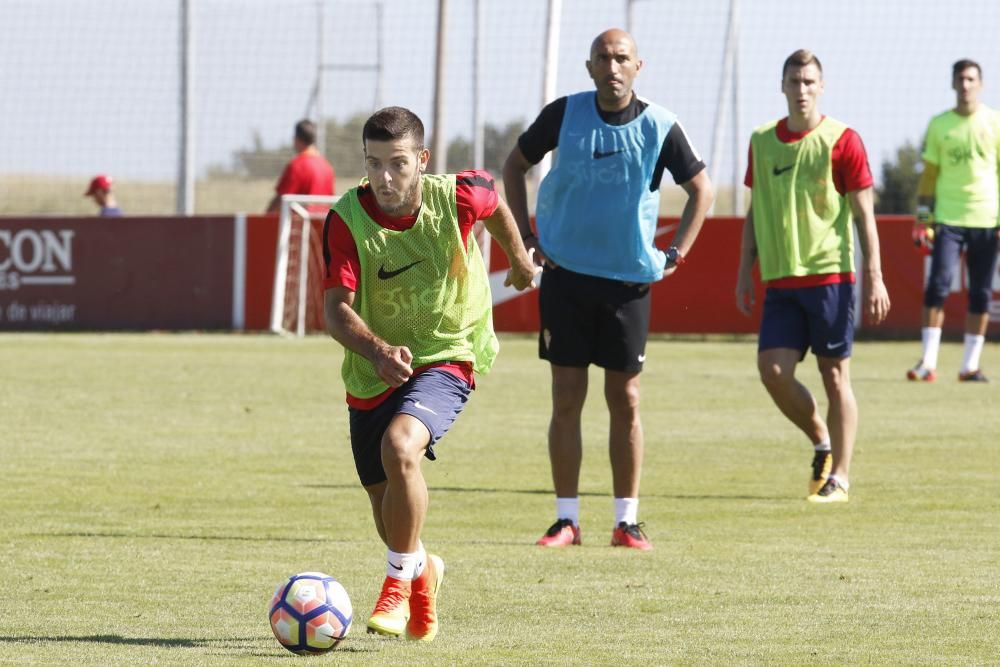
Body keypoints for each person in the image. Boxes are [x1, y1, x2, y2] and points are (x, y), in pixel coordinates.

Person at [323, 106, 538, 642]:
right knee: (384, 501)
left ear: (421, 159)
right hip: (374, 371)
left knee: (401, 449)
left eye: (397, 163)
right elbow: (334, 312)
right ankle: (422, 568)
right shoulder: (346, 219)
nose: (385, 177)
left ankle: (395, 585)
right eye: (374, 164)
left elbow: (496, 205)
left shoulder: (457, 195)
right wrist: (374, 351)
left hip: (449, 352)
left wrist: (517, 260)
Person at [503, 28, 713, 550]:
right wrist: (527, 238)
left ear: (639, 66)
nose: (613, 66)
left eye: (622, 58)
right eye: (604, 57)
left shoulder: (661, 126)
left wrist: (677, 252)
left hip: (628, 284)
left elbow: (701, 189)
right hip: (567, 278)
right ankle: (566, 520)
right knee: (566, 397)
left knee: (626, 397)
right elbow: (514, 165)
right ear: (590, 66)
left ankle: (626, 520)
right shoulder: (564, 114)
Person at [735, 49, 891, 504]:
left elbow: (865, 217)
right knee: (773, 372)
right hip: (781, 281)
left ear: (821, 87)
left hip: (830, 278)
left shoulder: (844, 140)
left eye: (809, 82)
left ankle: (839, 477)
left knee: (835, 377)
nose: (801, 90)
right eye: (793, 81)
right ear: (781, 86)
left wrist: (875, 277)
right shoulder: (762, 141)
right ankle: (821, 439)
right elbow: (753, 211)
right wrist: (745, 270)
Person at [908, 59, 1000, 383]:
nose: (965, 85)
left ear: (981, 84)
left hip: (987, 220)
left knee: (981, 294)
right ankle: (927, 363)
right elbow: (928, 178)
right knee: (937, 286)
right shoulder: (939, 125)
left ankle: (969, 366)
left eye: (971, 79)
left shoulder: (994, 122)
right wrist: (923, 220)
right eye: (960, 79)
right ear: (952, 83)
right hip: (947, 219)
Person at [265, 119, 335, 214]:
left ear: (296, 139)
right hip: (323, 225)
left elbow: (280, 200)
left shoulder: (296, 165)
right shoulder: (327, 166)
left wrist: (265, 217)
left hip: (300, 226)